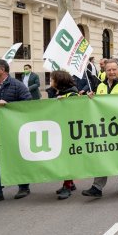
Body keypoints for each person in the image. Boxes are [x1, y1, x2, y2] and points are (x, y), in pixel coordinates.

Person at [0, 59, 32, 206]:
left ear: (2, 70)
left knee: (17, 159)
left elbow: (29, 105)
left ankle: (23, 186)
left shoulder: (17, 86)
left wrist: (9, 106)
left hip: (12, 131)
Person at [81, 59, 118, 198]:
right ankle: (97, 187)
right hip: (104, 128)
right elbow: (97, 105)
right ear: (105, 71)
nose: (111, 72)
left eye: (114, 69)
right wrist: (91, 98)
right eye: (108, 70)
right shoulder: (100, 86)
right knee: (102, 155)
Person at [49, 70, 80, 200]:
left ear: (59, 81)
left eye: (52, 80)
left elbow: (73, 112)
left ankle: (67, 186)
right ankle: (69, 183)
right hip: (61, 130)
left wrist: (63, 104)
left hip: (69, 132)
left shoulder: (71, 94)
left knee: (67, 159)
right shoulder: (60, 93)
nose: (50, 82)